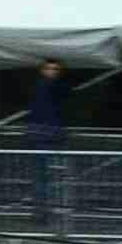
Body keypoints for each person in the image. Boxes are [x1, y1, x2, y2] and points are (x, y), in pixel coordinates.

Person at [24, 59, 69, 217]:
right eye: (50, 69)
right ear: (43, 70)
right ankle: (42, 211)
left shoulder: (51, 87)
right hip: (43, 136)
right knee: (42, 175)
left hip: (47, 135)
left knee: (46, 175)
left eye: (55, 69)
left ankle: (44, 210)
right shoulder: (45, 86)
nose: (52, 72)